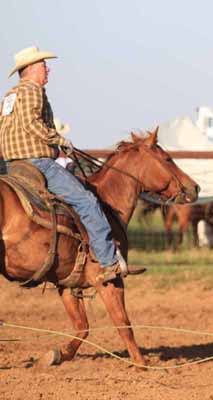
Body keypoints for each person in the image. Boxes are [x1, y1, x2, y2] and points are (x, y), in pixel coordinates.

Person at [0, 46, 143, 283]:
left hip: (12, 164)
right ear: (31, 69)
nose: (48, 69)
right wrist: (59, 141)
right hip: (37, 162)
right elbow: (31, 123)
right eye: (43, 65)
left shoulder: (10, 96)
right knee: (86, 201)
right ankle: (109, 262)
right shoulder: (34, 90)